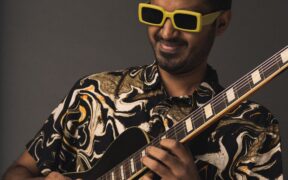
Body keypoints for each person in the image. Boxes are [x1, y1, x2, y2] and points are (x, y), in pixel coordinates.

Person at [3, 0, 283, 179]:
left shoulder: (256, 128)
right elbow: (20, 171)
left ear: (221, 23)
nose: (167, 32)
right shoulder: (93, 94)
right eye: (154, 14)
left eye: (186, 20)